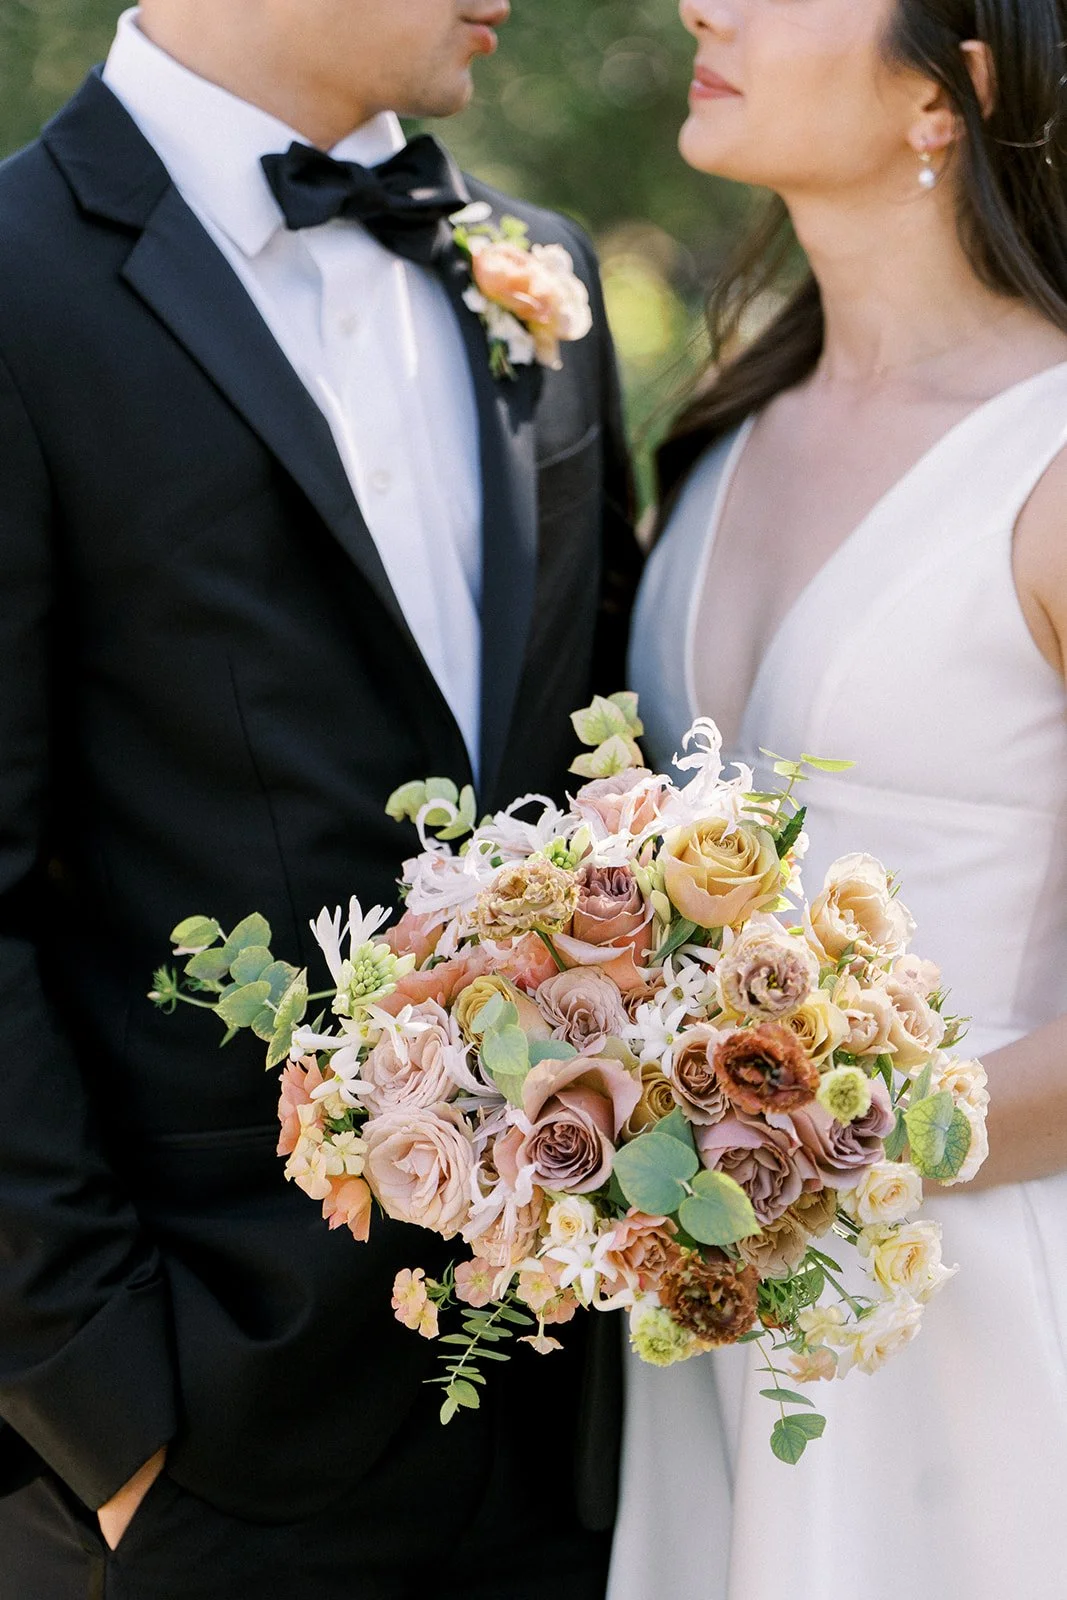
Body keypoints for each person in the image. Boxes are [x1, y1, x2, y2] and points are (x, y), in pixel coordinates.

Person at [0, 2, 640, 1595]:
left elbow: (598, 786)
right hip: (201, 1453)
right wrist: (108, 1421)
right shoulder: (15, 280)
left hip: (568, 1434)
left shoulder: (538, 273)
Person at [614, 0, 1067, 1597]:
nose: (702, 6)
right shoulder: (725, 430)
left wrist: (820, 1143)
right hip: (703, 1325)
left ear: (951, 93)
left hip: (981, 1321)